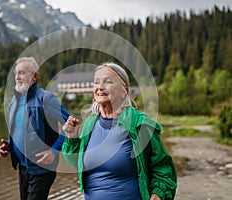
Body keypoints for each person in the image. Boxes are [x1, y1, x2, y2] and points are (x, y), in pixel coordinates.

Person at [62, 62, 177, 200]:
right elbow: (79, 163)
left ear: (124, 91)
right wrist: (71, 138)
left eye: (108, 81)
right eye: (96, 82)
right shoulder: (89, 124)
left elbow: (163, 169)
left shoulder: (139, 124)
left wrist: (157, 195)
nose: (100, 87)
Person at [0, 57, 70, 200]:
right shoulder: (14, 102)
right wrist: (9, 145)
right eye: (16, 74)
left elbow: (72, 125)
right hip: (22, 169)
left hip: (42, 170)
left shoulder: (46, 99)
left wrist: (54, 150)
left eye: (22, 73)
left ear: (35, 76)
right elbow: (20, 132)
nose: (17, 77)